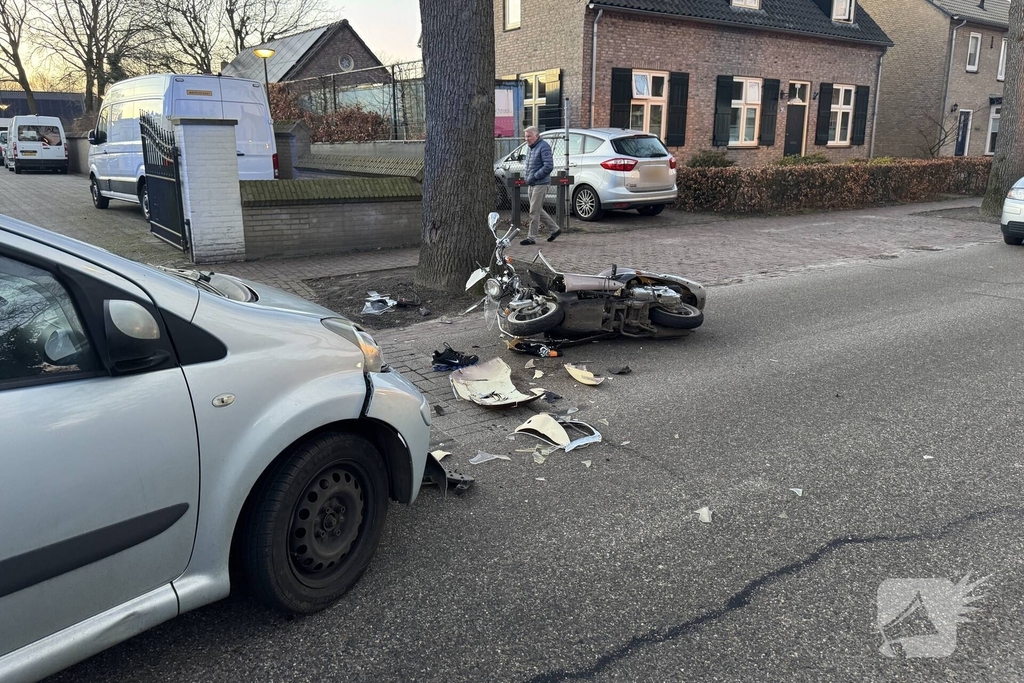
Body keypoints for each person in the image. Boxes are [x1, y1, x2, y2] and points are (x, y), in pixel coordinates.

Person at [521, 126, 561, 245]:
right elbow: (529, 166)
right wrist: (527, 177)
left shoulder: (544, 146)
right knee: (537, 209)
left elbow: (548, 166)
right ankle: (555, 229)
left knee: (534, 211)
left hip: (541, 183)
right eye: (525, 136)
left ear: (537, 135)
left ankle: (531, 238)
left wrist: (534, 177)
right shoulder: (530, 147)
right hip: (532, 183)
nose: (526, 139)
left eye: (529, 136)